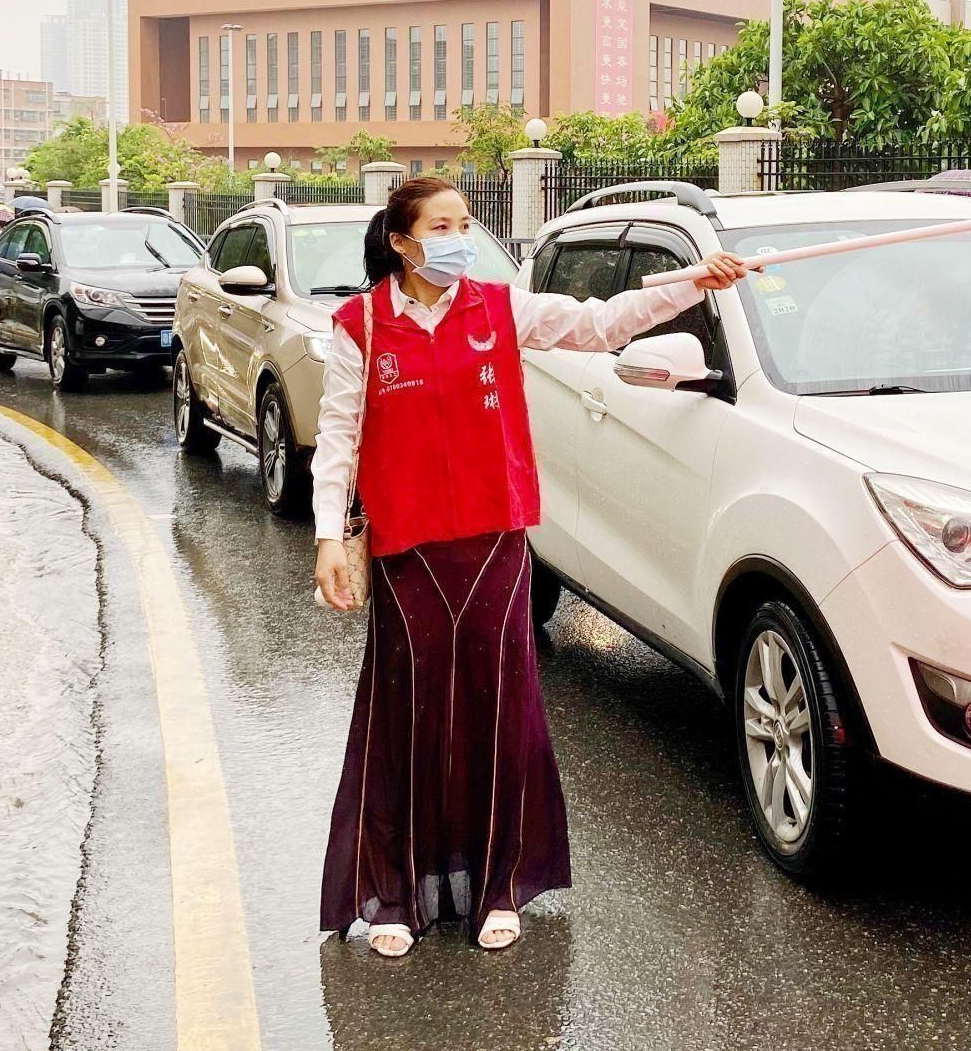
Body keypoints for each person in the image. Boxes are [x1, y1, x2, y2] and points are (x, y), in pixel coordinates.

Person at [312, 176, 748, 957]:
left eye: (465, 224)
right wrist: (327, 539)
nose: (459, 238)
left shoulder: (500, 307)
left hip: (495, 544)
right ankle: (397, 895)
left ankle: (499, 886)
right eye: (441, 227)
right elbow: (339, 437)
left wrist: (693, 281)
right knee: (408, 715)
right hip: (408, 549)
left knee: (498, 710)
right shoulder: (361, 326)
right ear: (402, 242)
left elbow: (602, 322)